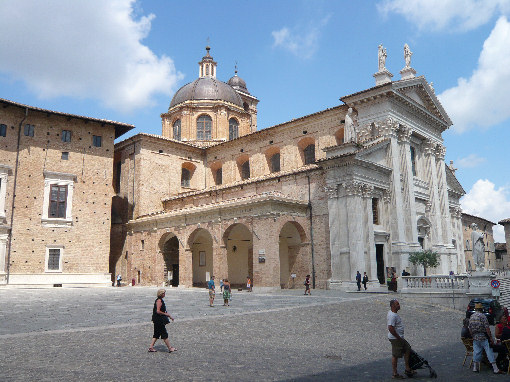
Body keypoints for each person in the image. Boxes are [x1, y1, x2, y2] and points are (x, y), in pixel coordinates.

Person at [468, 302, 503, 373]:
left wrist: (472, 336)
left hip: (475, 336)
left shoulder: (471, 317)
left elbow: (470, 328)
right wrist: (490, 337)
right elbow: (487, 328)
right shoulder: (483, 316)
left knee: (476, 352)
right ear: (481, 309)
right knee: (489, 351)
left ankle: (475, 367)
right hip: (483, 336)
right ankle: (495, 368)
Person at [387, 299, 416, 379]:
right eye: (397, 304)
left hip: (399, 338)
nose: (399, 305)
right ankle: (395, 374)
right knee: (395, 355)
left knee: (407, 349)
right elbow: (390, 328)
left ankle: (408, 368)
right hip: (396, 338)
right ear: (393, 306)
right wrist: (398, 337)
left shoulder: (393, 313)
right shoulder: (393, 316)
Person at [148, 289, 176, 353]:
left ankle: (151, 347)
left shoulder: (160, 300)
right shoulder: (159, 301)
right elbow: (158, 311)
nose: (164, 294)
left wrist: (169, 316)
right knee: (164, 334)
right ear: (161, 294)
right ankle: (170, 348)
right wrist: (166, 314)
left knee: (156, 334)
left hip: (157, 319)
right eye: (164, 293)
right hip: (159, 320)